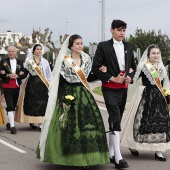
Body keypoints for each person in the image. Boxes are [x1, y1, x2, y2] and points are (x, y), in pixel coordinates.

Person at [36, 34, 109, 169]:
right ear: (71, 46)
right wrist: (63, 99)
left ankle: (90, 157)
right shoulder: (65, 61)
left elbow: (88, 78)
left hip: (84, 95)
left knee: (88, 126)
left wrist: (100, 72)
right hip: (70, 95)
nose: (80, 46)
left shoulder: (86, 59)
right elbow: (61, 83)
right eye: (77, 44)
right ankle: (71, 158)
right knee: (69, 126)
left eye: (81, 43)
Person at [92, 19, 136, 169]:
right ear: (111, 30)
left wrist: (131, 76)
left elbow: (133, 66)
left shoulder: (129, 46)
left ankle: (111, 153)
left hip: (124, 88)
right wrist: (112, 78)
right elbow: (96, 68)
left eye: (124, 30)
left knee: (116, 118)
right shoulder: (103, 46)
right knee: (115, 118)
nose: (122, 33)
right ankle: (118, 157)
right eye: (119, 30)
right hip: (109, 88)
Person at [120, 44, 170, 161]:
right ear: (148, 54)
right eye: (153, 53)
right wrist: (129, 79)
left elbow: (165, 84)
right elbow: (134, 78)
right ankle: (133, 146)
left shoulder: (162, 66)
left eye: (157, 53)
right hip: (145, 95)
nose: (156, 55)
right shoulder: (143, 65)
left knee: (160, 123)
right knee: (139, 121)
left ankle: (158, 151)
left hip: (159, 97)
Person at [14, 44, 52, 130]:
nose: (39, 51)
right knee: (32, 102)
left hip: (42, 84)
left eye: (40, 49)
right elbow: (25, 73)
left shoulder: (45, 61)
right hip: (32, 83)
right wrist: (18, 76)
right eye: (37, 49)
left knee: (42, 102)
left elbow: (48, 73)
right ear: (33, 51)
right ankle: (31, 121)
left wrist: (50, 84)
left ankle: (41, 123)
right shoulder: (29, 61)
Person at [0, 46, 25, 134]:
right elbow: (0, 72)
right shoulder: (3, 61)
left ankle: (9, 122)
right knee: (10, 105)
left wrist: (18, 76)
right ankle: (13, 127)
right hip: (7, 86)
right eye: (9, 51)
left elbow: (24, 73)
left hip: (16, 87)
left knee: (13, 105)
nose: (11, 53)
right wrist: (7, 75)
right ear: (7, 52)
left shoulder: (20, 62)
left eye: (12, 51)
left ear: (16, 53)